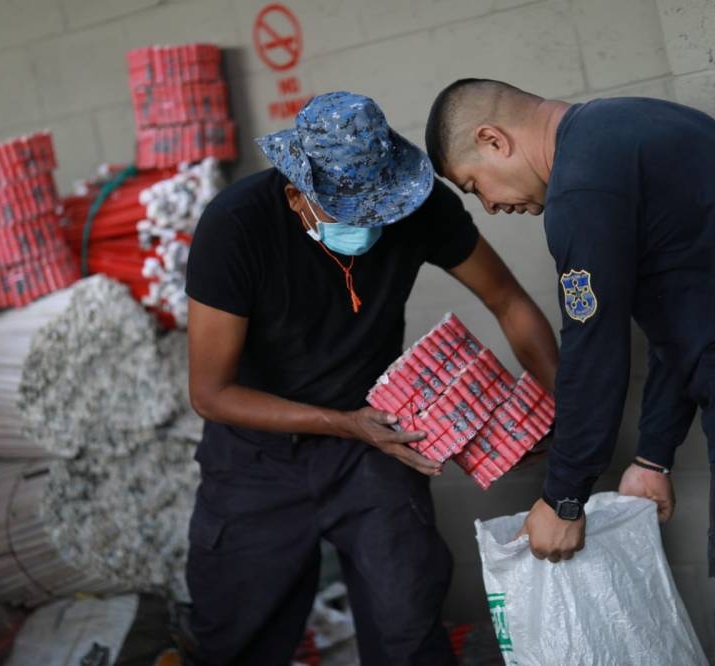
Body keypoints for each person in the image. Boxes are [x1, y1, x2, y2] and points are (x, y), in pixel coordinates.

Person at [425, 78, 715, 664]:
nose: (493, 206)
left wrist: (564, 496)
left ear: (493, 139)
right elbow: (687, 318)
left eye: (476, 187)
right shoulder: (645, 123)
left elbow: (594, 349)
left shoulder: (581, 190)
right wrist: (653, 455)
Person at [184, 90, 558, 665]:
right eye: (352, 215)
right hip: (257, 458)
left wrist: (558, 406)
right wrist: (344, 424)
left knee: (408, 623)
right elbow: (211, 393)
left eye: (380, 213)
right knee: (235, 635)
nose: (371, 226)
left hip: (372, 445)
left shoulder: (415, 206)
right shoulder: (236, 227)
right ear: (297, 197)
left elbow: (507, 300)